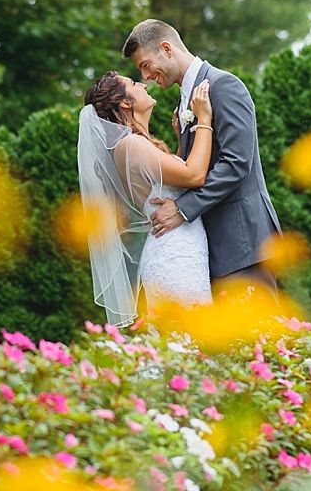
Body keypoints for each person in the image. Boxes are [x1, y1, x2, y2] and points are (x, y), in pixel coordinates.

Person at [123, 18, 281, 294]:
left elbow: (236, 163)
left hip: (242, 241)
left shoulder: (223, 86)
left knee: (259, 335)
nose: (146, 76)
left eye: (146, 65)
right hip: (212, 247)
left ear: (167, 49)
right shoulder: (184, 102)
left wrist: (182, 209)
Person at [78, 70, 214, 326]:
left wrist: (180, 144)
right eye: (132, 83)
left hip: (180, 247)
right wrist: (204, 118)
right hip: (174, 254)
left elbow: (169, 185)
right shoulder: (131, 146)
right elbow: (194, 176)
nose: (142, 84)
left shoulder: (135, 145)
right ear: (126, 102)